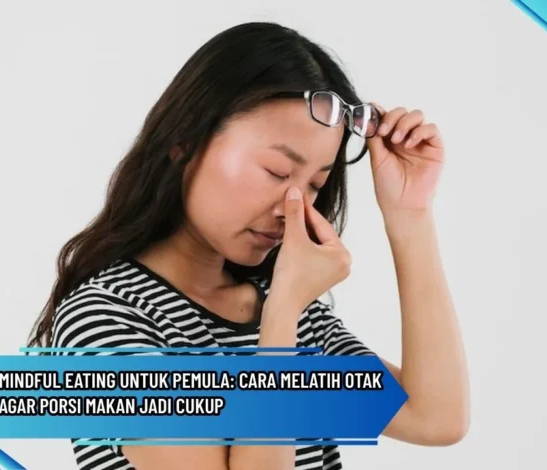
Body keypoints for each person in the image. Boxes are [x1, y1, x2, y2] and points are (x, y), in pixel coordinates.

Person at [28, 21, 469, 470]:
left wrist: (409, 213)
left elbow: (434, 418)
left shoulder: (283, 308)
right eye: (277, 172)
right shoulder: (106, 317)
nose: (294, 206)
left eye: (315, 185)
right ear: (185, 143)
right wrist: (284, 312)